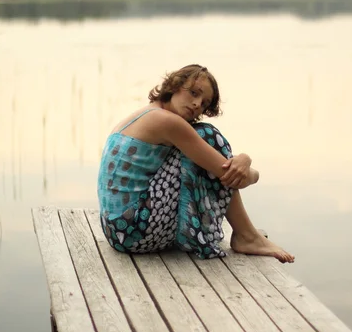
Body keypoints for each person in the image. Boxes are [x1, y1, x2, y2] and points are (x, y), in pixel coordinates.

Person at [97, 64, 295, 263]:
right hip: (134, 232)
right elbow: (230, 175)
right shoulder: (167, 122)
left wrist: (243, 162)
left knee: (202, 146)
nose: (196, 104)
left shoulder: (145, 114)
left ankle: (247, 235)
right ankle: (247, 236)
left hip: (117, 231)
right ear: (174, 86)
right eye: (193, 93)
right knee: (208, 136)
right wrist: (248, 167)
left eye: (203, 103)